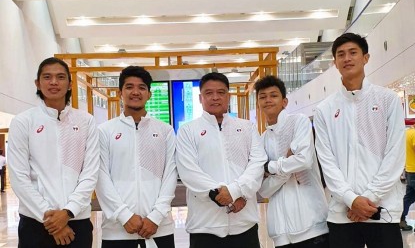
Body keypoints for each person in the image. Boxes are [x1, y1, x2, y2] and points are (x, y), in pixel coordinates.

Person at [314, 33, 405, 248]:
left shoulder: (387, 100)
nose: (347, 58)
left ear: (366, 58)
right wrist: (350, 199)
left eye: (353, 52)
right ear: (335, 63)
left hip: (382, 211)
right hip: (342, 213)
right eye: (341, 54)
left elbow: (395, 155)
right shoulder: (325, 109)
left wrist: (368, 198)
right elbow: (326, 161)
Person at [7, 57, 100, 247]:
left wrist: (67, 212)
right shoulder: (23, 121)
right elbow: (19, 177)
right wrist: (51, 221)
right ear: (38, 83)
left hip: (76, 221)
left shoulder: (85, 121)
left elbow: (90, 172)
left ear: (70, 84)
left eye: (60, 77)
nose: (54, 82)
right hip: (36, 222)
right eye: (47, 77)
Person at [175, 72, 268, 248]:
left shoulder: (247, 127)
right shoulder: (188, 131)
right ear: (200, 98)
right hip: (205, 226)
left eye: (221, 92)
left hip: (244, 223)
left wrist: (234, 191)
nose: (215, 97)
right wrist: (227, 196)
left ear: (228, 95)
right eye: (209, 93)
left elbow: (257, 164)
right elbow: (189, 172)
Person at [95, 66, 177, 248]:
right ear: (120, 93)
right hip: (117, 230)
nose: (135, 92)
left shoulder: (165, 131)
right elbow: (101, 177)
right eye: (129, 87)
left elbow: (170, 174)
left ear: (149, 94)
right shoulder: (104, 131)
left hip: (159, 228)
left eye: (141, 87)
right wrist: (124, 215)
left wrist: (156, 217)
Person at [255, 75, 329, 248]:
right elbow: (263, 190)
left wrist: (270, 167)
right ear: (258, 104)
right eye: (262, 96)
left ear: (284, 101)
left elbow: (303, 160)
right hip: (280, 232)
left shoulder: (299, 122)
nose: (268, 100)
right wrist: (286, 168)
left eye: (273, 95)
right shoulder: (261, 140)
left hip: (312, 225)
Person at [400, 124, 415, 231]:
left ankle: (400, 219)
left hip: (409, 169)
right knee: (409, 198)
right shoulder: (414, 134)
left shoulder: (407, 132)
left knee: (409, 198)